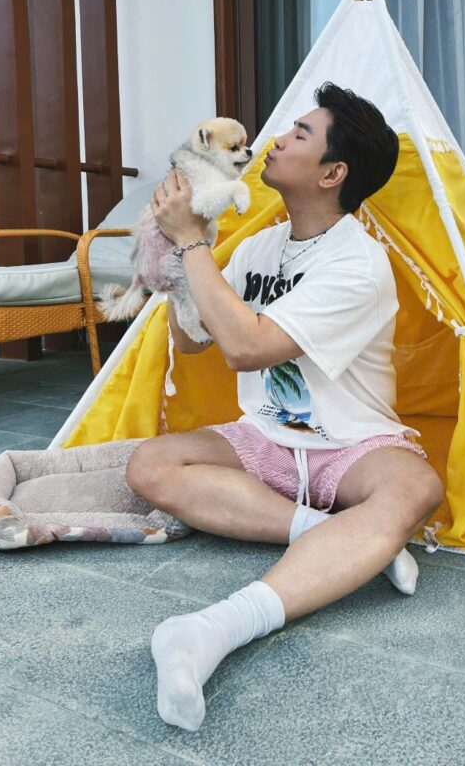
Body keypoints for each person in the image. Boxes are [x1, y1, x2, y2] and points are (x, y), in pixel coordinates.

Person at [126, 81, 445, 731]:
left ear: (332, 173)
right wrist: (178, 251)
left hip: (352, 445)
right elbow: (192, 341)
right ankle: (333, 536)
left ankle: (210, 630)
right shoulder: (258, 248)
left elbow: (248, 349)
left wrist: (192, 245)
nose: (275, 140)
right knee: (149, 466)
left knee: (417, 490)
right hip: (266, 438)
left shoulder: (358, 263)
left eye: (299, 133)